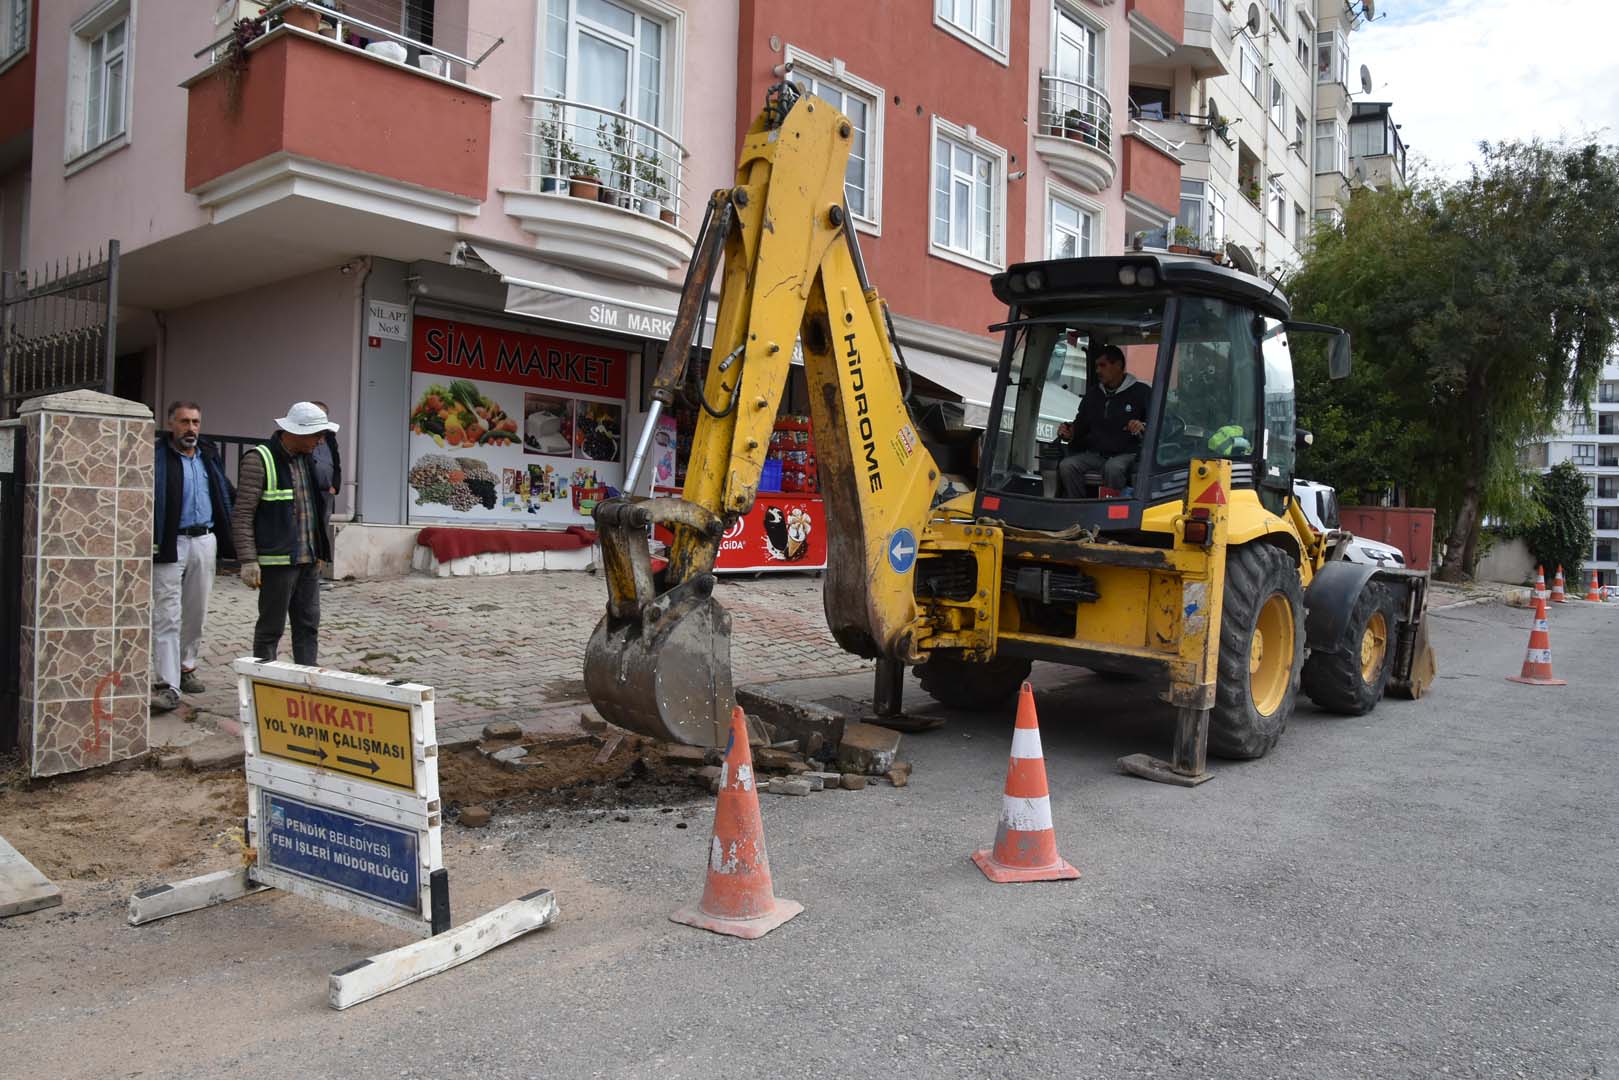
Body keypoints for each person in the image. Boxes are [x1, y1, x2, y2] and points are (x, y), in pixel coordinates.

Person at [232, 402, 337, 666]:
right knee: (271, 630)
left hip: (308, 560)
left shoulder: (308, 460)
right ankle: (264, 682)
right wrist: (248, 560)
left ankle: (306, 681)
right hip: (278, 563)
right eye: (317, 434)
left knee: (308, 627)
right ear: (298, 432)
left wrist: (319, 550)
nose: (320, 440)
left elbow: (314, 509)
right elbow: (243, 514)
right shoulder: (259, 459)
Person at [151, 402, 236, 712]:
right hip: (170, 541)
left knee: (196, 611)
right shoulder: (157, 456)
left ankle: (187, 667)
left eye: (196, 422)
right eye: (184, 421)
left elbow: (225, 492)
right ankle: (167, 684)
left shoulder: (208, 456)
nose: (191, 428)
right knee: (167, 613)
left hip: (204, 540)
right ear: (171, 423)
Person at [1057, 345, 1153, 496]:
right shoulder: (1093, 394)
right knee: (1067, 465)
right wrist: (1070, 432)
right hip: (1097, 455)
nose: (1098, 371)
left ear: (1118, 365)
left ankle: (1113, 507)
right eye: (1096, 366)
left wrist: (1142, 426)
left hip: (1129, 454)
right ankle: (1078, 505)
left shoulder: (1141, 392)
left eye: (1102, 365)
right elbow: (1081, 424)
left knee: (1113, 468)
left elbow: (1156, 424)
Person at [309, 399, 342, 522]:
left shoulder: (330, 438)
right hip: (309, 490)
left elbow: (336, 464)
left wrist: (335, 486)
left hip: (328, 491)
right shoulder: (304, 437)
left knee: (324, 523)